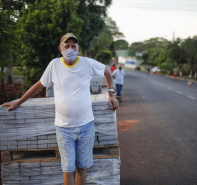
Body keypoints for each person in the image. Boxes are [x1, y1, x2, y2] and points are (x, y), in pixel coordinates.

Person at [1, 33, 119, 185]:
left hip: (86, 126)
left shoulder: (87, 63)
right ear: (60, 49)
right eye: (66, 46)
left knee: (82, 168)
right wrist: (19, 102)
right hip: (64, 129)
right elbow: (39, 85)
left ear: (78, 49)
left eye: (73, 46)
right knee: (68, 169)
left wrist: (111, 94)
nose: (70, 49)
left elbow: (107, 71)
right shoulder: (54, 65)